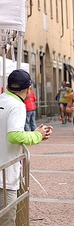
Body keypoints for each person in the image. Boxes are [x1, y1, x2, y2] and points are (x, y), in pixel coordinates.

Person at [0, 69, 52, 225]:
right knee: (7, 220)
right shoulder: (17, 105)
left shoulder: (2, 100)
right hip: (5, 177)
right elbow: (14, 135)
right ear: (28, 88)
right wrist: (38, 135)